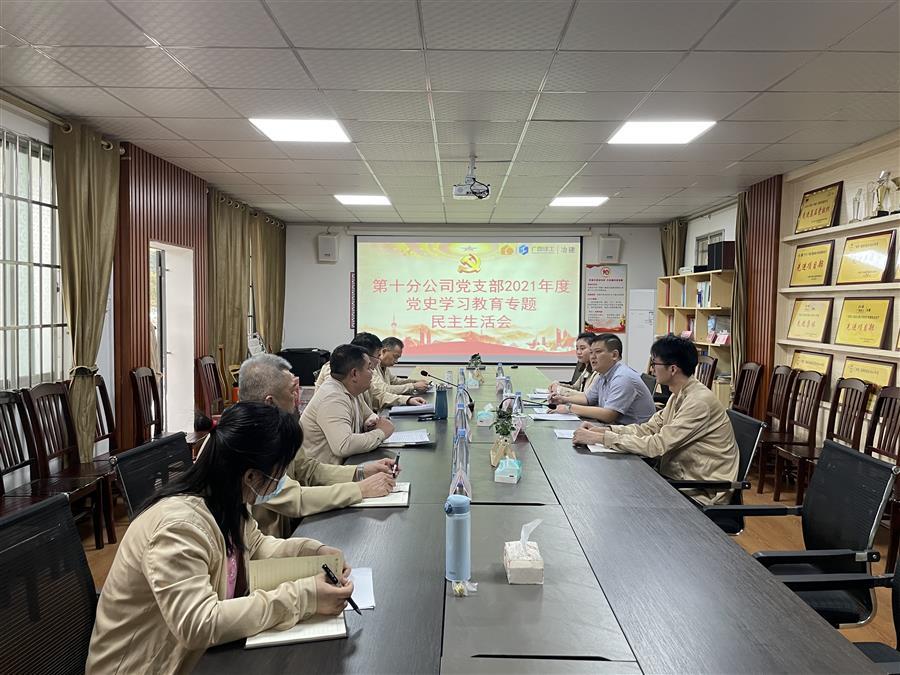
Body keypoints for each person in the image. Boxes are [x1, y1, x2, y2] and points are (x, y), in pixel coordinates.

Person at [87, 403, 354, 674]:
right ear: (251, 476)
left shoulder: (227, 499)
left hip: (195, 658)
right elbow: (199, 623)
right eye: (278, 475)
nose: (280, 482)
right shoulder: (178, 528)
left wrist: (312, 551)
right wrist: (304, 596)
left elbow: (255, 545)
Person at [239, 354, 397, 537]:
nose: (299, 398)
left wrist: (362, 471)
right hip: (266, 542)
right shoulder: (247, 440)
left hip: (288, 530)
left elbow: (308, 470)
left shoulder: (280, 426)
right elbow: (294, 499)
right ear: (270, 402)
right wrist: (360, 489)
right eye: (292, 391)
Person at [572, 335, 738, 505]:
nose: (651, 369)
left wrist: (602, 438)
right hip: (677, 479)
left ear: (672, 369)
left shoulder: (698, 402)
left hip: (699, 491)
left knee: (614, 496)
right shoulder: (679, 395)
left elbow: (657, 446)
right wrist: (605, 431)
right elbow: (648, 428)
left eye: (655, 363)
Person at [302, 344, 395, 465]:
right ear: (354, 374)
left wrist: (371, 421)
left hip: (346, 466)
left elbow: (368, 415)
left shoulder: (351, 389)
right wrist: (381, 433)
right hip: (323, 473)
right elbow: (344, 445)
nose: (372, 373)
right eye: (369, 368)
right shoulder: (332, 397)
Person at [550, 334, 655, 425]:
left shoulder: (623, 377)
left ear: (614, 355)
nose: (592, 357)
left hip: (634, 433)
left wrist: (569, 408)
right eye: (591, 352)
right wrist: (563, 399)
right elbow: (587, 399)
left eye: (598, 352)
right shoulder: (603, 374)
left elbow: (608, 415)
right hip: (615, 428)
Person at [316, 332, 427, 410]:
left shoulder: (362, 372)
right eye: (377, 356)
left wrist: (407, 400)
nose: (379, 360)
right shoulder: (335, 374)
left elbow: (377, 395)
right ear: (363, 355)